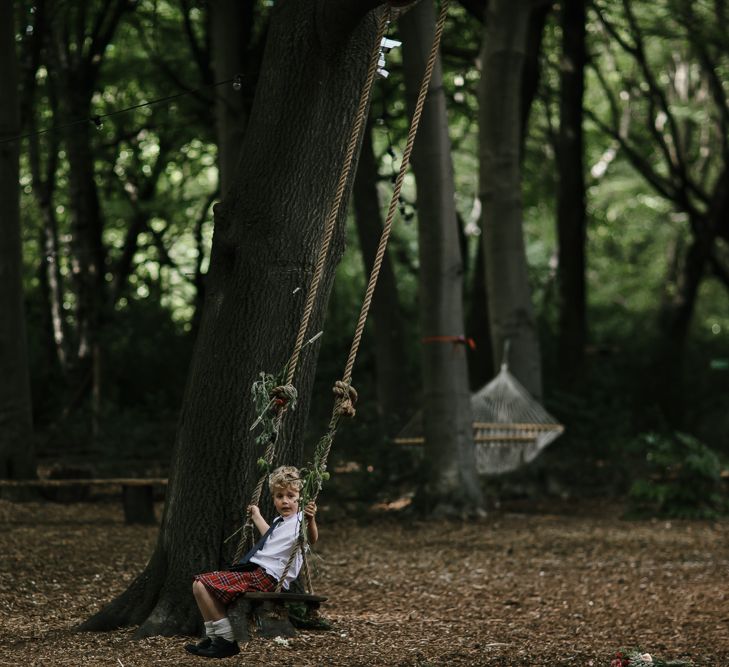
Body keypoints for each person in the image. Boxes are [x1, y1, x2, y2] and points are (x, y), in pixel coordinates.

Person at [185, 466, 318, 659]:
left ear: (300, 498)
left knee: (203, 583)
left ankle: (226, 641)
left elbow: (312, 539)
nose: (285, 501)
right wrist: (256, 515)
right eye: (279, 496)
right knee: (198, 586)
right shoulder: (280, 521)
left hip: (268, 576)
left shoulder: (301, 521)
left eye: (291, 496)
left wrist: (311, 519)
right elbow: (269, 538)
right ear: (274, 499)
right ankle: (214, 638)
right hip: (255, 571)